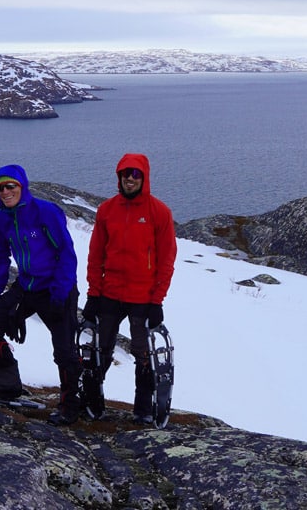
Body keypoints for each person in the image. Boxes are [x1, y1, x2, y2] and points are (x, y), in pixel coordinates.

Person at [0, 164, 83, 425]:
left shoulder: (44, 212)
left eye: (10, 186)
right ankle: (8, 385)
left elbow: (66, 255)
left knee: (65, 350)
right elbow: (0, 258)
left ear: (22, 187)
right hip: (26, 286)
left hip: (56, 287)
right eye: (0, 188)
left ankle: (71, 405)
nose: (5, 192)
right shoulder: (1, 219)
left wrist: (59, 295)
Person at [83, 153, 177, 425]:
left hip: (142, 297)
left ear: (144, 177)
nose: (130, 179)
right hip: (110, 293)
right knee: (100, 350)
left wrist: (157, 301)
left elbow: (166, 260)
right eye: (125, 174)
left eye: (135, 174)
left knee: (144, 355)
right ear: (119, 177)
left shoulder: (159, 212)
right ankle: (92, 401)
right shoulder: (107, 210)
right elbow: (95, 255)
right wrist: (93, 294)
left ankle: (143, 410)